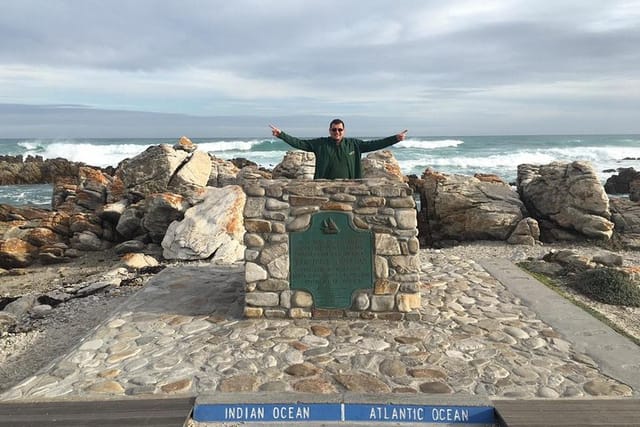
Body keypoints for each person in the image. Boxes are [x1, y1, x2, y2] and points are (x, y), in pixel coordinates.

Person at [269, 119, 407, 179]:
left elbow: (375, 144)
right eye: (334, 129)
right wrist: (281, 135)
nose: (337, 132)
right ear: (329, 130)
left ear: (344, 130)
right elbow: (299, 143)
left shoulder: (354, 144)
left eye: (340, 129)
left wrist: (395, 138)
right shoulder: (321, 144)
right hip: (324, 187)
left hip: (350, 187)